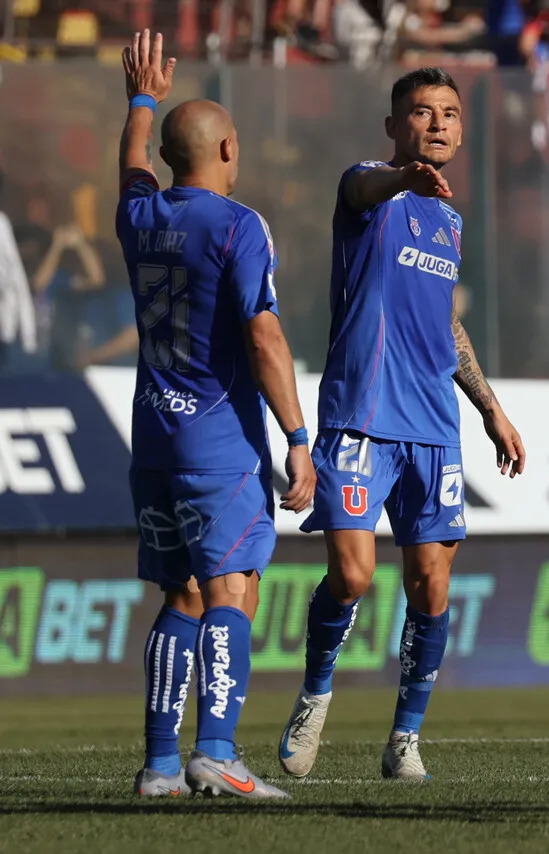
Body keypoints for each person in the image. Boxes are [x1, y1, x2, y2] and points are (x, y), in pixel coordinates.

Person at [278, 67, 526, 782]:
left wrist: (491, 409)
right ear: (396, 126)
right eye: (422, 112)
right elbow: (362, 189)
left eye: (450, 112)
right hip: (360, 417)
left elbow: (445, 323)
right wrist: (402, 180)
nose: (440, 123)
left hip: (433, 427)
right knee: (351, 577)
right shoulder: (370, 190)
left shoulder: (447, 221)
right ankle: (316, 693)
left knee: (432, 585)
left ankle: (405, 738)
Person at [118, 30, 316, 798]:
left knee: (182, 596)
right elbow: (264, 336)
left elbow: (132, 167)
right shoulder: (238, 227)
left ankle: (161, 765)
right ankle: (219, 752)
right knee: (231, 592)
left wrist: (141, 100)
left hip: (152, 442)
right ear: (230, 147)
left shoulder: (138, 219)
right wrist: (299, 439)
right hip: (218, 445)